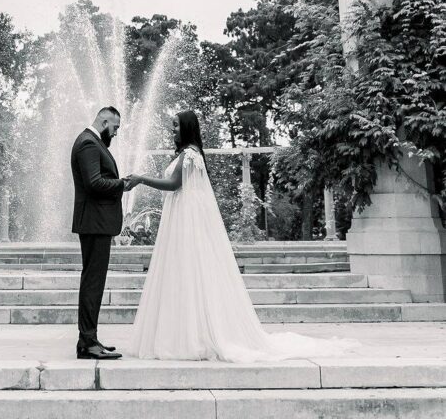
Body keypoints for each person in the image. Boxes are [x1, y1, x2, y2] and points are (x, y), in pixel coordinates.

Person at [125, 110, 359, 361]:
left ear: (187, 128)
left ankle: (195, 335)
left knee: (190, 272)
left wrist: (140, 179)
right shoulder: (188, 154)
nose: (172, 130)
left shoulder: (191, 154)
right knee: (183, 272)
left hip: (185, 220)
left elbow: (173, 184)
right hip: (181, 218)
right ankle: (183, 332)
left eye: (176, 126)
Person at [70, 106, 133, 360]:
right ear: (104, 121)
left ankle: (90, 339)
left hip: (96, 222)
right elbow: (93, 183)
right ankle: (87, 343)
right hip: (94, 223)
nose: (115, 133)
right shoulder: (88, 143)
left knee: (94, 282)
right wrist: (123, 185)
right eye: (115, 127)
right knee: (92, 282)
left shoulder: (92, 142)